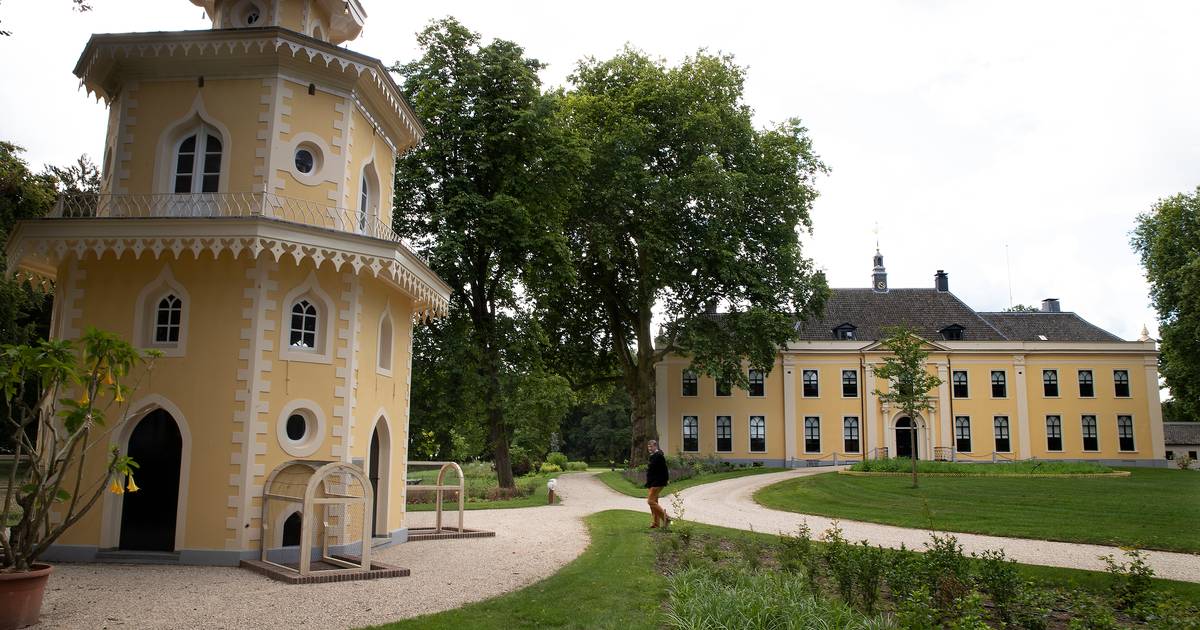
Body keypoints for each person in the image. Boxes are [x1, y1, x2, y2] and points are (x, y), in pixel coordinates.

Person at [644, 439, 670, 528]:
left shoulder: (659, 456)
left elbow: (665, 470)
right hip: (652, 482)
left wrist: (666, 480)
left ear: (655, 446)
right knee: (654, 502)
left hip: (658, 482)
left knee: (650, 501)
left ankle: (666, 518)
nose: (649, 448)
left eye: (651, 446)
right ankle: (656, 523)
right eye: (648, 447)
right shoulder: (653, 456)